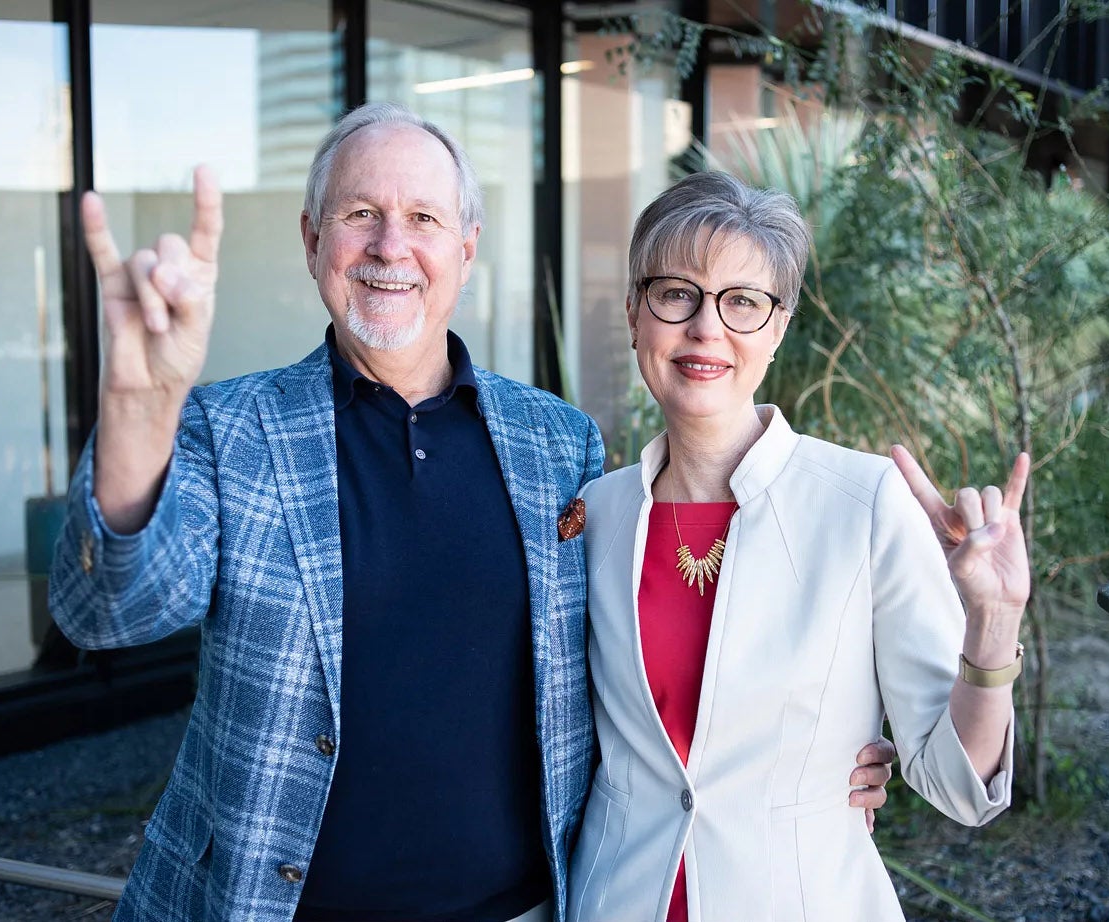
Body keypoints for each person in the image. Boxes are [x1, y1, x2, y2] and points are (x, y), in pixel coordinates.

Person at [48, 104, 895, 922]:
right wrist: (137, 407)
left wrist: (814, 756)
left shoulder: (556, 443)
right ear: (313, 241)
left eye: (423, 216)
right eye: (360, 213)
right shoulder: (228, 430)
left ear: (466, 247)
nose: (391, 246)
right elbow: (111, 610)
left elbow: (640, 658)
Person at [567, 171, 1031, 922]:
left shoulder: (865, 502)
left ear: (777, 330)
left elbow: (956, 785)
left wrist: (995, 619)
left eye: (742, 302)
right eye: (675, 293)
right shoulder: (594, 513)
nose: (706, 329)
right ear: (633, 313)